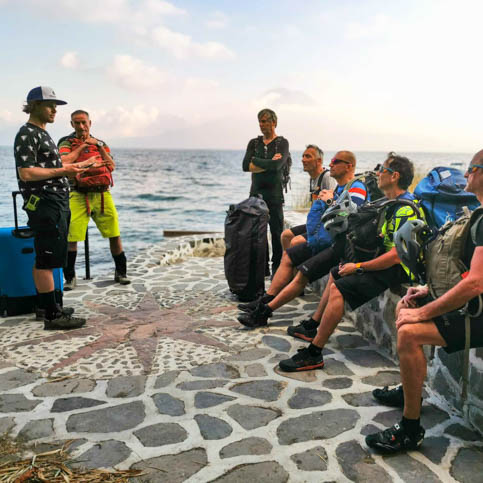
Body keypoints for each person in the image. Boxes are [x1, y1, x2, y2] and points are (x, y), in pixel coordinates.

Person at [366, 150, 483, 454]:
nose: (466, 175)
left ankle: (409, 429)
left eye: (471, 169)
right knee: (407, 307)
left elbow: (476, 283)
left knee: (410, 330)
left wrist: (427, 312)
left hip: (479, 312)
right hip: (476, 303)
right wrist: (427, 290)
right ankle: (411, 391)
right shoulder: (479, 215)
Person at [279, 152, 420, 370]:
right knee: (338, 272)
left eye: (383, 170)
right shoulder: (391, 203)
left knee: (340, 287)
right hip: (389, 263)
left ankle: (314, 353)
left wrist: (360, 266)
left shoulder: (405, 209)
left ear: (395, 177)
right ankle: (313, 327)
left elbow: (396, 256)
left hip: (399, 270)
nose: (378, 173)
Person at [238, 150, 368, 328]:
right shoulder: (339, 188)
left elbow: (351, 216)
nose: (330, 165)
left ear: (349, 166)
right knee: (289, 255)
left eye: (335, 161)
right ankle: (264, 301)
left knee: (302, 274)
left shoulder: (357, 188)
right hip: (326, 238)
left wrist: (330, 202)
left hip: (341, 245)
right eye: (330, 161)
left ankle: (263, 312)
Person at [14, 86, 89, 330]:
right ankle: (52, 316)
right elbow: (26, 172)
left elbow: (54, 162)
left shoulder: (42, 133)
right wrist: (64, 171)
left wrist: (79, 162)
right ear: (34, 105)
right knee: (46, 258)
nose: (55, 109)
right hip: (44, 204)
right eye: (50, 105)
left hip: (55, 203)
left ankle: (48, 306)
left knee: (53, 254)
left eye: (55, 105)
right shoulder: (26, 134)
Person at [58, 110, 130, 290]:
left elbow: (111, 166)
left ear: (90, 123)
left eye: (84, 122)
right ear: (71, 124)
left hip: (102, 194)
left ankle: (121, 272)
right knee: (72, 236)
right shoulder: (66, 142)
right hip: (78, 194)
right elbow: (64, 162)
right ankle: (70, 277)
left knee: (114, 233)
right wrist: (83, 147)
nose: (81, 126)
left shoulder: (101, 143)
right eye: (77, 123)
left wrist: (97, 146)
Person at [242, 109, 289, 275]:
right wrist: (267, 162)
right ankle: (262, 269)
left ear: (274, 122)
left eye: (265, 121)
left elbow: (278, 166)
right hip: (256, 194)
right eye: (260, 122)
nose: (262, 125)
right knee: (257, 234)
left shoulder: (282, 143)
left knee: (276, 233)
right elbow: (245, 166)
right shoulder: (253, 143)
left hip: (275, 194)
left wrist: (256, 161)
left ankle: (277, 267)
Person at [281, 144, 336, 250]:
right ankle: (287, 263)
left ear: (319, 161)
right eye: (303, 156)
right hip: (315, 224)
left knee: (295, 242)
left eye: (308, 156)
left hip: (324, 227)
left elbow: (334, 204)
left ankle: (294, 263)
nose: (303, 160)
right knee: (285, 236)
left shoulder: (327, 177)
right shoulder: (313, 179)